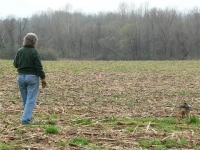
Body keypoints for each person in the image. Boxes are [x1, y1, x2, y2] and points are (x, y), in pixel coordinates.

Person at [13, 33, 47, 124]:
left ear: (25, 40)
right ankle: (25, 119)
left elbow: (15, 64)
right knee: (31, 99)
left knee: (25, 99)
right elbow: (38, 66)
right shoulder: (34, 52)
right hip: (32, 78)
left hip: (21, 77)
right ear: (34, 42)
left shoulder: (20, 51)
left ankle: (28, 117)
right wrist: (43, 78)